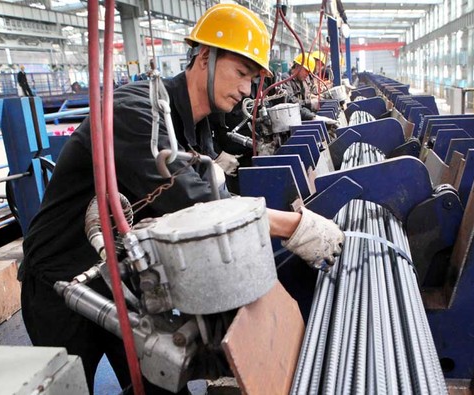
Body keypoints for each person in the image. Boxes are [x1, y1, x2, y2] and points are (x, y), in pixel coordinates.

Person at [20, 4, 344, 394]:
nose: (246, 88)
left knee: (158, 385)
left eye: (253, 79)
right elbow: (198, 203)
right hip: (63, 280)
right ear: (204, 57)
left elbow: (215, 189)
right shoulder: (137, 112)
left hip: (124, 278)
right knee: (67, 387)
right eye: (241, 73)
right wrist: (296, 227)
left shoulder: (202, 125)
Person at [280, 54, 336, 124]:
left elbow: (307, 96)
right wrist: (311, 107)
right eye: (306, 70)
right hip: (291, 121)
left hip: (303, 116)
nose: (307, 74)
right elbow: (291, 102)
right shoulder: (285, 79)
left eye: (309, 72)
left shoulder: (303, 81)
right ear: (297, 66)